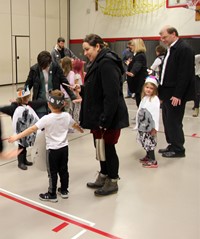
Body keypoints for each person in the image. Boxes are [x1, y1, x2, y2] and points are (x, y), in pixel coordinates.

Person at [8, 90, 84, 202]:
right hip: (64, 149)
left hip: (52, 150)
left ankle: (52, 193)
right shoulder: (66, 116)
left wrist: (17, 136)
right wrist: (80, 130)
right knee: (64, 170)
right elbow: (75, 124)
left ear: (49, 104)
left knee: (52, 172)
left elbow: (32, 129)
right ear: (63, 104)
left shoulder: (47, 119)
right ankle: (64, 190)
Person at [80, 34, 129, 196]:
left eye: (87, 49)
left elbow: (111, 95)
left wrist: (105, 120)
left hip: (108, 117)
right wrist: (81, 90)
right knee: (99, 146)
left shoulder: (107, 63)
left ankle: (112, 180)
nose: (85, 53)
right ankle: (103, 174)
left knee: (108, 148)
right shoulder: (98, 62)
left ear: (98, 47)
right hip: (98, 115)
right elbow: (96, 87)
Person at [158, 25, 195, 158]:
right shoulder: (171, 49)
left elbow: (184, 74)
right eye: (161, 38)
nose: (163, 40)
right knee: (167, 121)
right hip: (167, 92)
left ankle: (179, 149)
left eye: (165, 37)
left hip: (175, 93)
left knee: (174, 121)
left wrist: (178, 94)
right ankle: (172, 144)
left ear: (174, 34)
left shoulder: (184, 49)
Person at [0, 87, 46, 169]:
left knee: (25, 145)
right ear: (20, 98)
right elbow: (4, 109)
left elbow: (39, 103)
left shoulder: (29, 104)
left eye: (28, 97)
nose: (27, 99)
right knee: (21, 146)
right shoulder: (14, 107)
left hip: (27, 130)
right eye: (25, 98)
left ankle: (25, 160)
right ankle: (20, 162)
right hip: (19, 131)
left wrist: (48, 101)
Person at [24, 51, 77, 118]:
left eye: (46, 66)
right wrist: (22, 98)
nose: (44, 68)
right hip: (40, 101)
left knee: (55, 123)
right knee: (41, 124)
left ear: (50, 62)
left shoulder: (56, 67)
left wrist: (73, 96)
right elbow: (28, 85)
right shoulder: (34, 69)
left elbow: (64, 82)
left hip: (54, 101)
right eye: (42, 66)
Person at [135, 76, 160, 168]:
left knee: (150, 143)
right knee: (145, 141)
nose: (149, 90)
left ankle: (153, 160)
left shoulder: (154, 99)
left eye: (151, 88)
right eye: (147, 87)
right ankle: (148, 156)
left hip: (150, 127)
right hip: (143, 125)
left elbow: (156, 114)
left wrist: (155, 127)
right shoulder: (145, 98)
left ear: (155, 90)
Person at [126, 38, 148, 107]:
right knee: (138, 101)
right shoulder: (136, 55)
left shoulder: (140, 55)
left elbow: (137, 64)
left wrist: (132, 72)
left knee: (140, 102)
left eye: (132, 45)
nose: (130, 47)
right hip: (138, 83)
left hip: (139, 83)